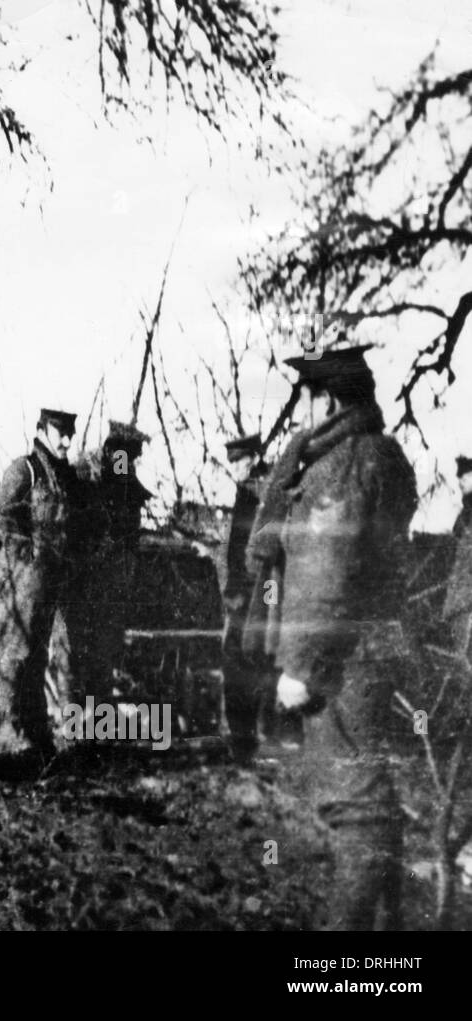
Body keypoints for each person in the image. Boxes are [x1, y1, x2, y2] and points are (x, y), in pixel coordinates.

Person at [245, 344, 417, 930]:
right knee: (375, 803)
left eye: (307, 400)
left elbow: (328, 570)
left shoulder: (341, 464)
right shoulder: (384, 455)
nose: (301, 416)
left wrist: (300, 667)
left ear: (330, 401)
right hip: (374, 654)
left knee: (357, 811)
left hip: (343, 663)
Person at [0, 409, 79, 756]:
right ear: (41, 431)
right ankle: (7, 727)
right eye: (60, 432)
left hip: (52, 580)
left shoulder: (65, 476)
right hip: (24, 579)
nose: (67, 440)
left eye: (71, 433)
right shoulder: (25, 470)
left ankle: (35, 729)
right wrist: (28, 557)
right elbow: (1, 518)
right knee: (13, 652)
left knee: (37, 655)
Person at [68, 420, 152, 701]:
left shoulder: (121, 472)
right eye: (129, 454)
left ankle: (99, 704)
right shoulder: (91, 472)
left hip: (114, 573)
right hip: (88, 574)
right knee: (85, 643)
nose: (130, 462)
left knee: (106, 641)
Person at [219, 432, 274, 760]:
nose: (235, 468)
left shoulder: (263, 492)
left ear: (253, 459)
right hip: (241, 596)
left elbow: (262, 550)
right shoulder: (247, 492)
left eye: (239, 461)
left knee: (248, 662)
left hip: (255, 594)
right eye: (232, 463)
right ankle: (242, 738)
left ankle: (249, 738)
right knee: (238, 661)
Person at [441, 455, 472, 661]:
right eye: (459, 477)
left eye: (466, 476)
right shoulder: (465, 513)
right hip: (461, 598)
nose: (459, 481)